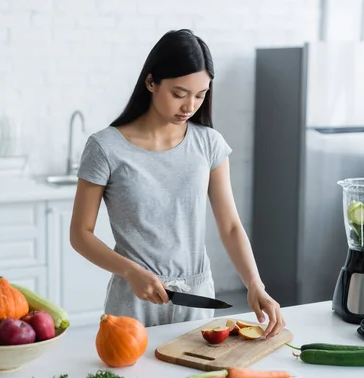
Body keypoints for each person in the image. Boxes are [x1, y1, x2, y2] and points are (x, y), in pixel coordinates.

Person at [70, 29, 285, 339]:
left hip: (196, 296)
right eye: (179, 93)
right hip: (133, 299)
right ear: (151, 82)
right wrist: (131, 271)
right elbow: (80, 234)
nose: (190, 106)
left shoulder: (209, 144)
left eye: (201, 95)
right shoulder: (106, 147)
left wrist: (255, 284)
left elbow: (231, 226)